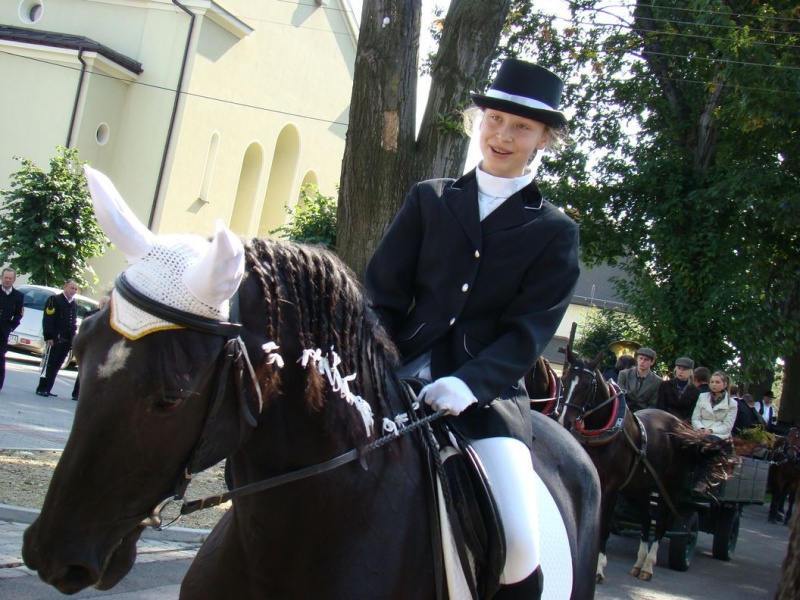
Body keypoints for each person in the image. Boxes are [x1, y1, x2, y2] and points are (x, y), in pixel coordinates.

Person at [365, 58, 579, 598]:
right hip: (394, 372)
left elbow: (528, 332)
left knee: (520, 543)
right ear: (476, 120)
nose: (502, 135)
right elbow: (381, 296)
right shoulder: (429, 199)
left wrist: (468, 383)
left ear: (543, 141)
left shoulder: (555, 231)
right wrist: (377, 359)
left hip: (486, 396)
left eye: (522, 128)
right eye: (494, 119)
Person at [35, 280, 79, 397]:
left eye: (75, 289)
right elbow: (48, 319)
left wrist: (73, 339)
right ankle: (42, 388)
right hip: (54, 339)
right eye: (71, 288)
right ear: (65, 287)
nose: (73, 291)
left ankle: (48, 388)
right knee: (49, 364)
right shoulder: (54, 300)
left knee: (57, 365)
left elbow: (73, 323)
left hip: (66, 340)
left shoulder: (73, 304)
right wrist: (48, 336)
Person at [70, 295, 110, 401]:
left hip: (103, 349)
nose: (103, 305)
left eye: (106, 304)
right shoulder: (90, 315)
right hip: (90, 348)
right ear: (99, 304)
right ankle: (76, 393)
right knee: (84, 372)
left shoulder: (110, 318)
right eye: (102, 303)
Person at [691, 370, 738, 440]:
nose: (714, 384)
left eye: (717, 382)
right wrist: (700, 428)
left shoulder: (732, 403)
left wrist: (711, 430)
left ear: (725, 385)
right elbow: (695, 418)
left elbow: (727, 426)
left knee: (710, 442)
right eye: (712, 382)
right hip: (700, 432)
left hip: (719, 434)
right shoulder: (702, 397)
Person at [0, 268, 25, 392]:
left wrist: (11, 327)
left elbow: (19, 314)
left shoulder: (18, 296)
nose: (7, 280)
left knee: (0, 358)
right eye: (5, 277)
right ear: (1, 277)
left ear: (14, 280)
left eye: (10, 278)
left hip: (3, 331)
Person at [617, 347, 662, 411]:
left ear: (652, 362)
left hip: (644, 415)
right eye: (640, 358)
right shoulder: (624, 374)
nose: (642, 361)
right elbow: (619, 396)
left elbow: (653, 404)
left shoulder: (657, 381)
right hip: (624, 410)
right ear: (637, 359)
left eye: (646, 360)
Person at [656, 356, 700, 421]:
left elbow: (692, 412)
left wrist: (685, 423)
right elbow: (660, 406)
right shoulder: (665, 385)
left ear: (691, 372)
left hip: (684, 424)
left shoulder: (695, 391)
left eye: (684, 369)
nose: (680, 371)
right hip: (665, 420)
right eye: (679, 368)